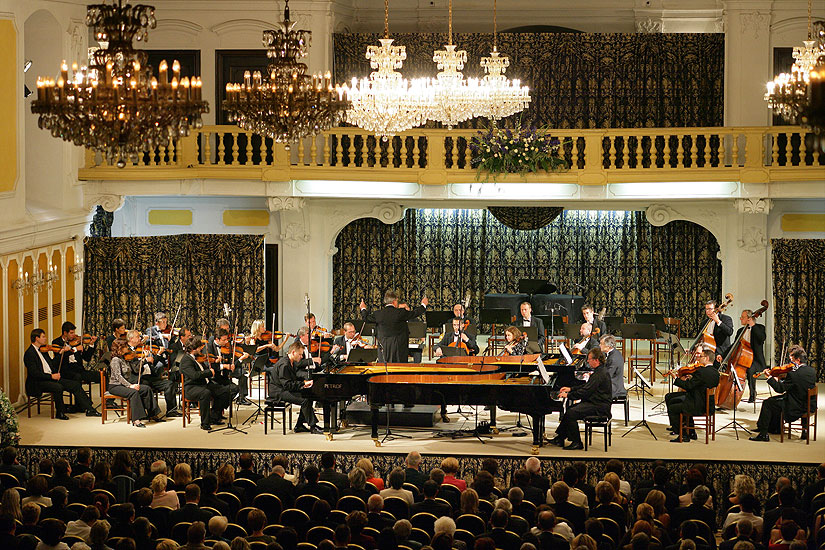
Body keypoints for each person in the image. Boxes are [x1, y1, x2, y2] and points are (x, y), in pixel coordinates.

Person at [24, 328, 99, 419]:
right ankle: (60, 412)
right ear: (36, 338)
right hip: (38, 382)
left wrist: (61, 354)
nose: (45, 338)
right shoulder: (29, 353)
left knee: (75, 385)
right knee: (57, 387)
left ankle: (89, 409)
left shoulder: (44, 350)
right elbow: (34, 373)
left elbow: (52, 365)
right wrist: (51, 376)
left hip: (51, 377)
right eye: (43, 337)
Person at [548, 348, 612, 450]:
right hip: (597, 402)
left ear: (596, 360)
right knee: (570, 410)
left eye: (589, 359)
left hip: (599, 406)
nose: (587, 361)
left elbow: (585, 392)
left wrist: (568, 395)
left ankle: (577, 442)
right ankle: (560, 438)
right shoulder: (599, 371)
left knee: (571, 413)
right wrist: (570, 389)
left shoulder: (599, 374)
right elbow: (586, 387)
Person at [749, 347, 816, 441]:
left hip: (795, 406)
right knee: (778, 400)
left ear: (798, 360)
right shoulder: (812, 371)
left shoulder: (793, 374)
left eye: (792, 360)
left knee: (768, 403)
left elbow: (780, 389)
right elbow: (797, 385)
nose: (791, 363)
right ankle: (801, 431)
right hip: (809, 404)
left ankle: (763, 433)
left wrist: (770, 378)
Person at [665, 348, 720, 442]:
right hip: (708, 404)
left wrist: (676, 379)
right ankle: (690, 432)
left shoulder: (701, 372)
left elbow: (688, 386)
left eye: (701, 356)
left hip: (697, 404)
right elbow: (700, 384)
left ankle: (683, 434)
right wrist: (691, 378)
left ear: (706, 358)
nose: (699, 358)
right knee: (671, 397)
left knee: (673, 407)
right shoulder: (716, 372)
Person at [359, 291, 428, 363]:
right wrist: (423, 305)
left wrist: (363, 308)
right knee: (399, 369)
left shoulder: (378, 314)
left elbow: (366, 318)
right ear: (394, 301)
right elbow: (415, 313)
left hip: (384, 347)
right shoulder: (400, 312)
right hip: (399, 348)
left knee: (384, 368)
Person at [124, 329, 180, 418]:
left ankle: (171, 410)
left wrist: (156, 356)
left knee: (169, 383)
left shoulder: (142, 348)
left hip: (150, 376)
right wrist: (145, 360)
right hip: (139, 379)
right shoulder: (126, 351)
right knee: (146, 387)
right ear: (131, 339)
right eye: (138, 337)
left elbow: (151, 363)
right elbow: (134, 369)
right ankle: (151, 413)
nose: (140, 339)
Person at [266, 341, 319, 433]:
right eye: (300, 354)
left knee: (309, 396)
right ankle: (313, 426)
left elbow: (291, 380)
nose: (301, 357)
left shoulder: (291, 362)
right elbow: (287, 385)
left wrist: (304, 383)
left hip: (283, 388)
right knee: (305, 400)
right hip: (278, 392)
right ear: (293, 352)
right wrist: (303, 384)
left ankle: (299, 425)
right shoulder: (285, 364)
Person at [180, 337, 231, 431]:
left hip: (204, 384)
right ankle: (205, 423)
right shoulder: (186, 360)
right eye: (199, 348)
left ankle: (213, 416)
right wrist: (209, 372)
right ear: (193, 349)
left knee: (227, 390)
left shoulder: (197, 358)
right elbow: (194, 375)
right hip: (192, 387)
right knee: (206, 393)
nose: (201, 349)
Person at [108, 338, 161, 428]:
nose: (127, 348)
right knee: (134, 393)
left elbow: (133, 370)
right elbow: (118, 376)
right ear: (120, 348)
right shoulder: (115, 360)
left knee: (146, 389)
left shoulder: (125, 358)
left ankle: (152, 414)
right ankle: (136, 420)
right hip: (115, 386)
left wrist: (143, 359)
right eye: (125, 346)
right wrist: (130, 386)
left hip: (125, 384)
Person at [731, 310, 766, 403]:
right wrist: (723, 355)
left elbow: (762, 338)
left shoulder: (759, 328)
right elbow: (734, 345)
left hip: (756, 361)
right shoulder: (740, 331)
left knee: (750, 370)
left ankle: (752, 394)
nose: (740, 319)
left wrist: (752, 325)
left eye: (743, 317)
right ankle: (732, 395)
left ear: (749, 319)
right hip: (743, 359)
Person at [205, 328, 248, 405]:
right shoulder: (209, 347)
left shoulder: (226, 348)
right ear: (217, 339)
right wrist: (223, 366)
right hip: (213, 378)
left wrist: (240, 359)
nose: (227, 342)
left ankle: (219, 407)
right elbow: (208, 366)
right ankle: (217, 410)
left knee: (235, 388)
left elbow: (232, 365)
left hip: (223, 377)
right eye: (224, 340)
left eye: (227, 339)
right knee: (225, 391)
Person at [52, 321, 99, 385]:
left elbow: (87, 358)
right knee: (77, 377)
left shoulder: (76, 341)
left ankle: (106, 394)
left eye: (74, 332)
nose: (74, 335)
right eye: (71, 333)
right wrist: (75, 349)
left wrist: (91, 344)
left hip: (79, 370)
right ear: (65, 333)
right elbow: (60, 358)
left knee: (100, 375)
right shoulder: (56, 342)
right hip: (66, 371)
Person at [699, 300, 734, 365]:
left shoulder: (726, 319)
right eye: (706, 309)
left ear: (715, 309)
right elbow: (700, 338)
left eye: (710, 309)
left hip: (720, 354)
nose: (708, 311)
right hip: (706, 355)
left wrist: (718, 322)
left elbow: (730, 332)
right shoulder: (704, 323)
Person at [600, 335, 626, 399]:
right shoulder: (615, 353)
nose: (599, 345)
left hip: (614, 388)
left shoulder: (613, 358)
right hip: (613, 383)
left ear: (608, 346)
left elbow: (607, 376)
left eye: (601, 344)